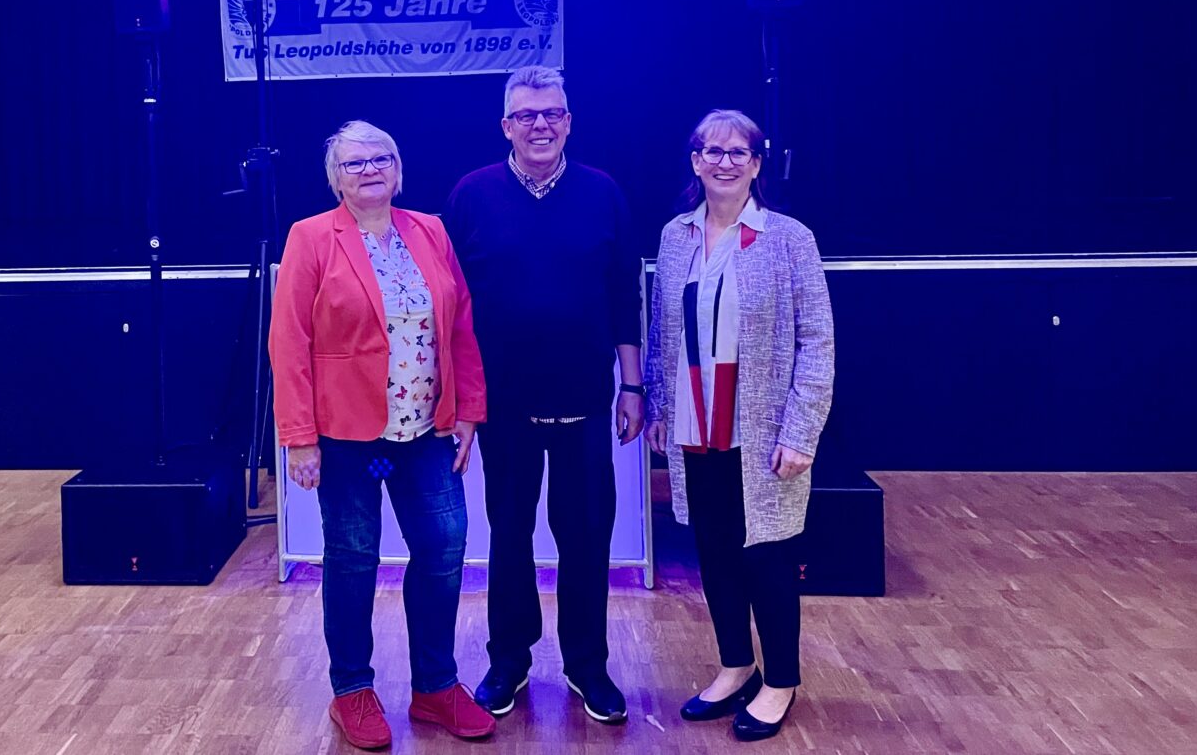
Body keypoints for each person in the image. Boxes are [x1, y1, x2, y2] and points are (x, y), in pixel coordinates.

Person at [269, 120, 495, 750]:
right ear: (334, 177)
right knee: (352, 558)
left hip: (426, 428)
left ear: (398, 168)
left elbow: (460, 327)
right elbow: (289, 343)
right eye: (354, 163)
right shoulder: (311, 238)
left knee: (446, 548)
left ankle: (436, 687)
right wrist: (299, 436)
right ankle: (352, 691)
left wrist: (469, 411)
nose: (369, 170)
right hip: (345, 438)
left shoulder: (431, 230)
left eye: (381, 159)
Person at [443, 66, 644, 725]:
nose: (540, 125)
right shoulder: (471, 196)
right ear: (505, 124)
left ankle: (588, 665)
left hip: (587, 402)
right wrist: (461, 401)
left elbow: (623, 297)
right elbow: (452, 306)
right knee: (509, 535)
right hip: (503, 408)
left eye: (552, 113)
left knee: (587, 535)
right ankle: (509, 660)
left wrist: (633, 385)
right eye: (526, 114)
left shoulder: (603, 193)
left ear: (569, 121)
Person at [643, 109, 835, 742]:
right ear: (694, 161)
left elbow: (817, 342)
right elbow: (661, 331)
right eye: (711, 151)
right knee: (716, 554)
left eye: (738, 152)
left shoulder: (789, 238)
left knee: (769, 558)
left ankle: (779, 680)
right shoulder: (675, 236)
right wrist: (660, 411)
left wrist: (800, 431)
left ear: (756, 163)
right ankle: (735, 666)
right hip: (697, 425)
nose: (724, 162)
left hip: (763, 428)